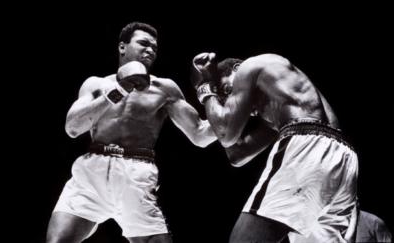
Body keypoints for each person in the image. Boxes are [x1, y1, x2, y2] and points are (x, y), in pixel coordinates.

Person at [46, 22, 217, 243]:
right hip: (91, 173)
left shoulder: (164, 89)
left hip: (135, 174)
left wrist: (233, 106)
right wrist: (118, 91)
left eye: (154, 47)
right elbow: (72, 128)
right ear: (122, 47)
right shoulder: (96, 84)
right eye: (143, 43)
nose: (150, 50)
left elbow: (200, 135)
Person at [191, 52, 359, 242]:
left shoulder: (253, 66)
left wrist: (205, 87)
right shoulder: (283, 108)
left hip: (308, 149)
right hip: (343, 160)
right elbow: (236, 154)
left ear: (237, 69)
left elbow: (225, 135)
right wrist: (226, 116)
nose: (231, 102)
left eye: (229, 90)